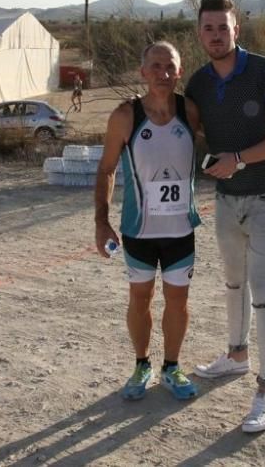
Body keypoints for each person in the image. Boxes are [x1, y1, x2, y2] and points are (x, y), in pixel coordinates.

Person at [184, 0, 265, 433]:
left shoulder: (264, 71)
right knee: (233, 283)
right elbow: (184, 132)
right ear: (199, 33)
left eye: (223, 27)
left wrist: (241, 157)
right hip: (226, 198)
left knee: (264, 292)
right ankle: (236, 356)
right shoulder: (198, 83)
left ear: (237, 30)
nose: (216, 35)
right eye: (208, 28)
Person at [95, 41, 201, 402]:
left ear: (180, 71)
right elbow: (106, 168)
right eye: (156, 66)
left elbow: (227, 140)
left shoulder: (190, 111)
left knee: (178, 301)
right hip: (138, 231)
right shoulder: (126, 116)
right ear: (143, 72)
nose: (163, 73)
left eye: (170, 66)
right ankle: (142, 364)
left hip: (180, 231)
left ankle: (172, 367)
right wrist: (101, 221)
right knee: (140, 298)